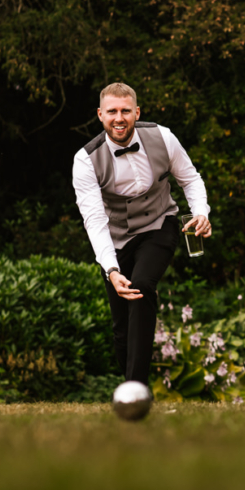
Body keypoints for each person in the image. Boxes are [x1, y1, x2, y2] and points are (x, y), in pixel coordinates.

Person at [72, 82, 211, 384]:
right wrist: (110, 269)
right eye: (112, 112)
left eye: (125, 111)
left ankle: (138, 388)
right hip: (115, 239)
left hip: (159, 224)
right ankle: (131, 391)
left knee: (142, 286)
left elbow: (190, 179)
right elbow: (95, 220)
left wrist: (201, 211)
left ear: (137, 112)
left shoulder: (163, 137)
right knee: (121, 327)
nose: (119, 118)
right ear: (100, 115)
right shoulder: (85, 160)